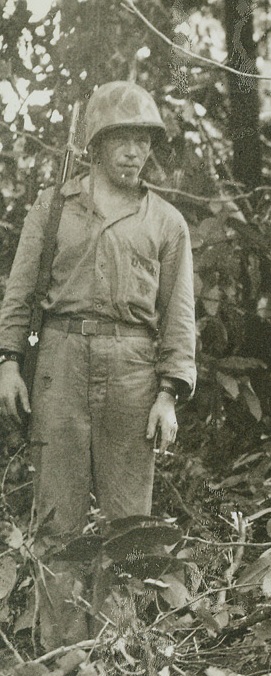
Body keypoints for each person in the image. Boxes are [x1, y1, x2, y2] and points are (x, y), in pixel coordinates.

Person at [0, 81, 196, 646]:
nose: (136, 152)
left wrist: (167, 394)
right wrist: (9, 360)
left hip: (134, 369)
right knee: (56, 512)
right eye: (123, 140)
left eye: (144, 140)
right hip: (59, 359)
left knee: (130, 521)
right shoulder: (53, 207)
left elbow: (178, 313)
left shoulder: (167, 223)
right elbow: (19, 291)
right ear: (97, 145)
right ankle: (62, 653)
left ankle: (120, 652)